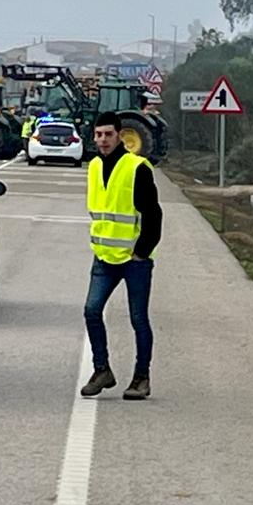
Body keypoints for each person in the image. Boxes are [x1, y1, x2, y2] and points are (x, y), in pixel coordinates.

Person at [79, 111, 162, 401]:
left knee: (138, 318)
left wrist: (141, 252)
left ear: (120, 136)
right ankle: (102, 369)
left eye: (108, 134)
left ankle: (141, 377)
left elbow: (153, 214)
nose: (103, 140)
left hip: (134, 259)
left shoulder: (137, 167)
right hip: (103, 257)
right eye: (99, 134)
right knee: (91, 310)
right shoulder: (92, 167)